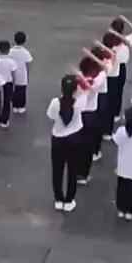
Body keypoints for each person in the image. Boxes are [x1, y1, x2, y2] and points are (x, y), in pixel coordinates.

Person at [47, 75, 84, 212]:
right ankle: (69, 200)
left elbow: (51, 116)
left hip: (58, 138)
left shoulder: (55, 102)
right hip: (74, 138)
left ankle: (58, 199)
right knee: (73, 170)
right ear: (75, 89)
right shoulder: (79, 102)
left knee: (57, 170)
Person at [76, 51, 108, 183]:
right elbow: (104, 68)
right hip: (90, 114)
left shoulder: (79, 78)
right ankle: (83, 174)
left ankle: (76, 171)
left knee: (78, 144)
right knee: (87, 145)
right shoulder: (98, 78)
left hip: (78, 113)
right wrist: (94, 58)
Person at [0, 41, 19, 129]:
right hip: (8, 83)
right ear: (9, 50)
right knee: (6, 102)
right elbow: (13, 74)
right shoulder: (11, 62)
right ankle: (4, 120)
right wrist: (14, 84)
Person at [9, 32, 34, 114]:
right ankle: (21, 106)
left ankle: (14, 106)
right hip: (22, 74)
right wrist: (28, 74)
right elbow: (28, 64)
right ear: (24, 41)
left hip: (12, 74)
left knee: (14, 90)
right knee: (22, 91)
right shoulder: (25, 52)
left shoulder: (10, 51)